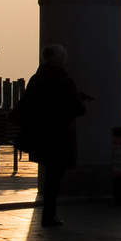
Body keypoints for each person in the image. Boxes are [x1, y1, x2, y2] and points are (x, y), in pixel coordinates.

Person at [12, 44, 87, 226]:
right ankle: (49, 214)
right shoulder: (64, 79)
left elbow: (27, 103)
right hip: (60, 135)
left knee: (50, 175)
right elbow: (77, 108)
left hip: (40, 134)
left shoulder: (36, 79)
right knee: (55, 177)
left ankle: (49, 213)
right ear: (60, 59)